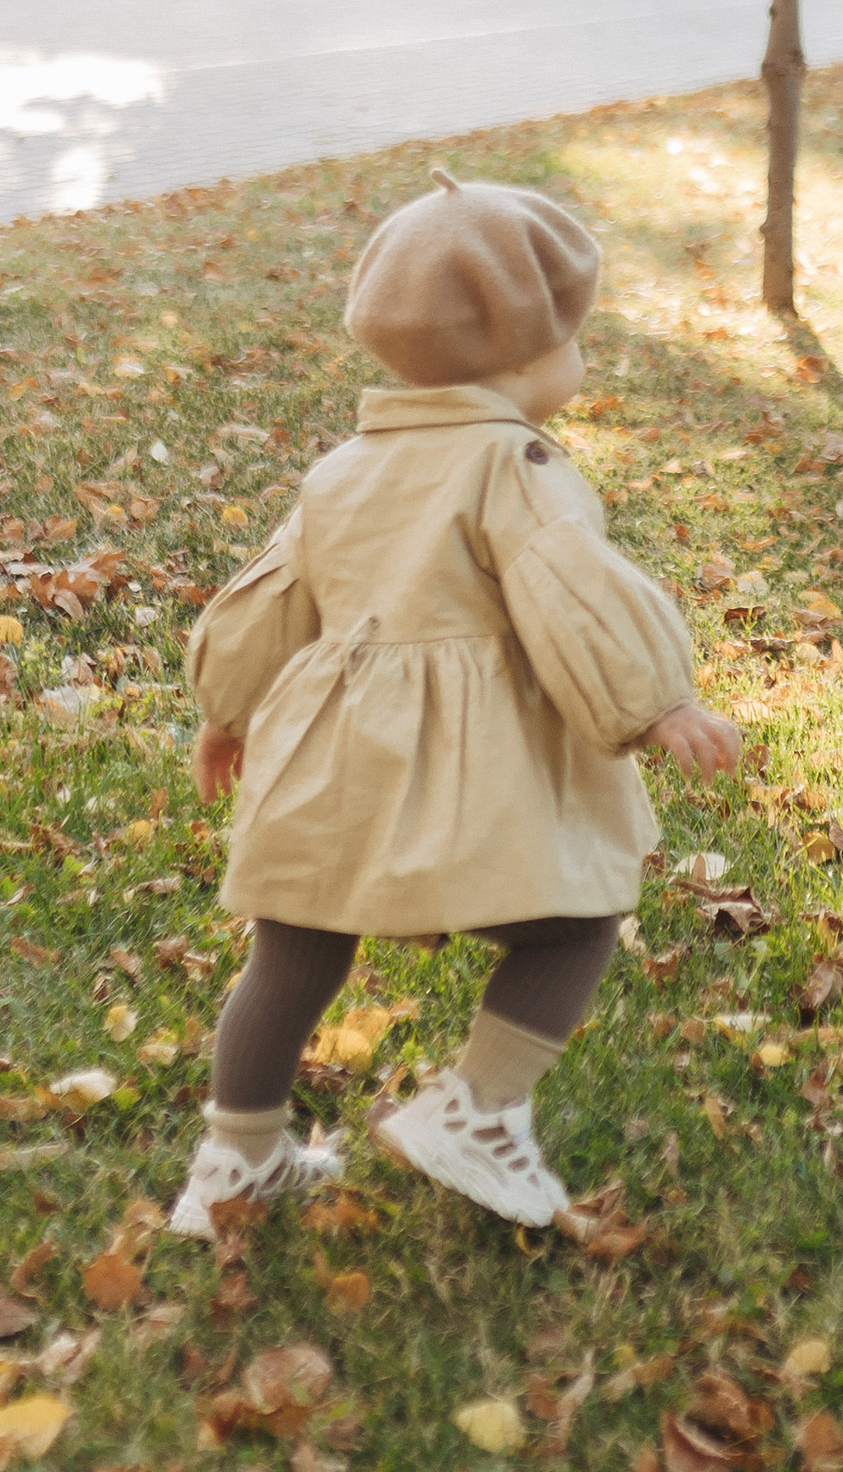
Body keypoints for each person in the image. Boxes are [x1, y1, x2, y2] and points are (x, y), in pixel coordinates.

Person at [172, 172, 739, 1239]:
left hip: (327, 766)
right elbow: (571, 586)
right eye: (573, 336)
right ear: (526, 352)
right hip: (469, 772)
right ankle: (478, 1110)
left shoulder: (344, 469)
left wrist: (225, 709)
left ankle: (233, 1164)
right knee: (575, 918)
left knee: (291, 955)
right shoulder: (512, 463)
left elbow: (270, 596)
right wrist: (660, 703)